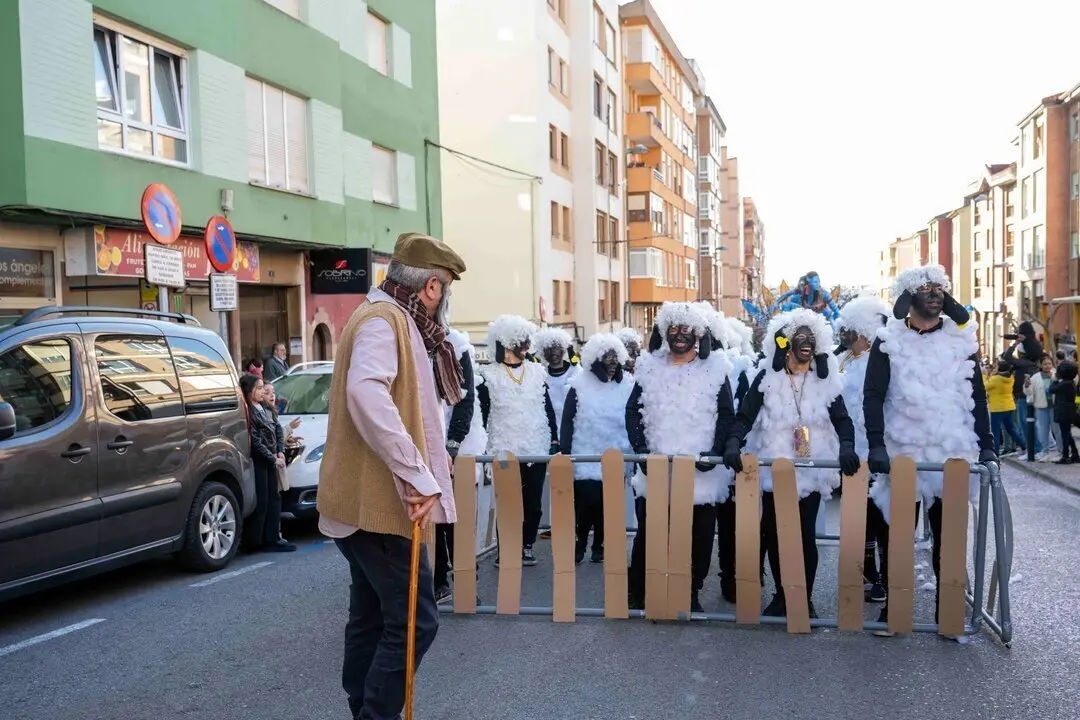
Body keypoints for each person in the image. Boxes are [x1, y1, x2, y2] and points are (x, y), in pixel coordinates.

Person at [316, 232, 466, 720]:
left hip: (363, 504)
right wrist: (418, 475)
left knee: (371, 617)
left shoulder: (384, 315)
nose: (444, 301)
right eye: (446, 289)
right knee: (413, 623)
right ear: (432, 288)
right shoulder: (385, 321)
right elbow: (367, 393)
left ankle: (362, 707)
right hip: (382, 507)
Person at [863, 265, 996, 632]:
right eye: (926, 287)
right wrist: (876, 444)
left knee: (949, 538)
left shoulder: (960, 339)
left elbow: (978, 397)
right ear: (908, 297)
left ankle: (948, 610)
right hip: (903, 453)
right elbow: (872, 395)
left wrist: (987, 445)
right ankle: (896, 605)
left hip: (951, 452)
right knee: (898, 536)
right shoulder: (888, 340)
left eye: (940, 288)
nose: (935, 293)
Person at [724, 309, 859, 618]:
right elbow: (745, 416)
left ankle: (804, 597)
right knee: (775, 535)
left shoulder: (826, 381)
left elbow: (843, 420)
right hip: (775, 469)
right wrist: (733, 442)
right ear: (785, 343)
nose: (805, 343)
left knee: (804, 535)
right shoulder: (767, 378)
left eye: (810, 338)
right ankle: (783, 595)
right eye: (798, 338)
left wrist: (847, 446)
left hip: (809, 472)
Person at [626, 302, 734, 613]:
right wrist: (641, 449)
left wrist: (714, 452)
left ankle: (690, 591)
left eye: (686, 330)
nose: (679, 335)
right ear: (665, 332)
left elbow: (726, 414)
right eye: (673, 329)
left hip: (700, 473)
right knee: (649, 534)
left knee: (699, 537)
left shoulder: (715, 367)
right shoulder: (649, 366)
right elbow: (633, 411)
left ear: (698, 334)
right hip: (657, 470)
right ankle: (639, 591)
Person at [478, 315, 560, 567]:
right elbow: (482, 414)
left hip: (536, 445)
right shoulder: (488, 375)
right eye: (520, 341)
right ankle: (507, 549)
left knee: (533, 504)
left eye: (527, 341)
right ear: (506, 342)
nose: (525, 346)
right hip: (504, 447)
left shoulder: (537, 371)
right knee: (507, 502)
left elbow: (547, 408)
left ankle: (526, 545)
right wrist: (483, 446)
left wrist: (554, 439)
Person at [835, 295, 890, 604]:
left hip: (878, 452)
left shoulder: (883, 361)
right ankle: (867, 572)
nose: (848, 338)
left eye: (852, 332)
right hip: (852, 453)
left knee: (882, 516)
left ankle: (883, 577)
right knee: (860, 516)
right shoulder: (842, 361)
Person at [560, 333, 633, 565]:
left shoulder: (627, 384)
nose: (612, 361)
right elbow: (567, 419)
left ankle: (599, 545)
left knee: (608, 504)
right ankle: (579, 542)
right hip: (586, 454)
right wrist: (565, 449)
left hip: (615, 455)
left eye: (615, 356)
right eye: (607, 356)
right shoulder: (580, 385)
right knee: (586, 504)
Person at [434, 327, 488, 603]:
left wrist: (452, 444)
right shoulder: (407, 340)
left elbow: (465, 400)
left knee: (458, 519)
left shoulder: (457, 345)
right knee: (432, 520)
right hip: (422, 445)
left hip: (456, 446)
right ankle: (437, 580)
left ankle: (466, 580)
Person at [239, 374, 295, 553]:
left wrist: (279, 450)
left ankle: (272, 538)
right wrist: (273, 458)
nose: (263, 391)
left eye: (263, 387)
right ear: (249, 391)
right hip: (260, 461)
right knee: (262, 500)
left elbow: (277, 429)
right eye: (259, 388)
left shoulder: (265, 407)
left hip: (272, 458)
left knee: (274, 498)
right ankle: (256, 540)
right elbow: (255, 441)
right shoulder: (250, 412)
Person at [261, 381, 299, 549]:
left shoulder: (270, 412)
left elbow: (276, 436)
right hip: (271, 462)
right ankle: (274, 537)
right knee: (273, 500)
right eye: (267, 391)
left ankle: (276, 536)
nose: (272, 395)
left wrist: (288, 438)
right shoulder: (264, 413)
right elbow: (271, 437)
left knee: (276, 499)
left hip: (276, 460)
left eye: (273, 391)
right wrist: (289, 429)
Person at [533, 327, 580, 439]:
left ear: (564, 350)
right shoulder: (541, 375)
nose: (553, 352)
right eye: (549, 348)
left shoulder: (576, 372)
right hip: (550, 434)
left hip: (574, 434)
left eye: (557, 348)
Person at [1003, 322, 1043, 452]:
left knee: (1025, 424)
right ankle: (1034, 449)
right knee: (1030, 423)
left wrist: (1014, 344)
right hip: (1029, 395)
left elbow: (1006, 357)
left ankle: (1034, 449)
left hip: (1022, 396)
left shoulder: (1023, 363)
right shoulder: (1033, 363)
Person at [986, 362, 1026, 456]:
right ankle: (1023, 446)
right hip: (1009, 406)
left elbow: (985, 386)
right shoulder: (1010, 378)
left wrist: (987, 376)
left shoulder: (995, 379)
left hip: (997, 408)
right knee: (1011, 429)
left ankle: (995, 453)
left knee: (995, 432)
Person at [1025, 354, 1058, 459]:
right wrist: (1026, 386)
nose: (1047, 366)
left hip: (1054, 406)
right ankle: (1045, 451)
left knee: (1057, 429)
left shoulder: (1056, 375)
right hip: (1041, 407)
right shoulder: (1035, 377)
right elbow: (1029, 392)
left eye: (1049, 364)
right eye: (1045, 364)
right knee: (1043, 430)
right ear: (1041, 365)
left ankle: (1061, 451)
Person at [1049, 361, 1079, 464]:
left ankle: (1065, 456)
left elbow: (1051, 389)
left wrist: (1055, 380)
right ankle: (1074, 454)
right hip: (1068, 410)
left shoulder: (1064, 383)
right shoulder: (1070, 382)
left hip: (1064, 411)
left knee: (1065, 434)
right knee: (1067, 433)